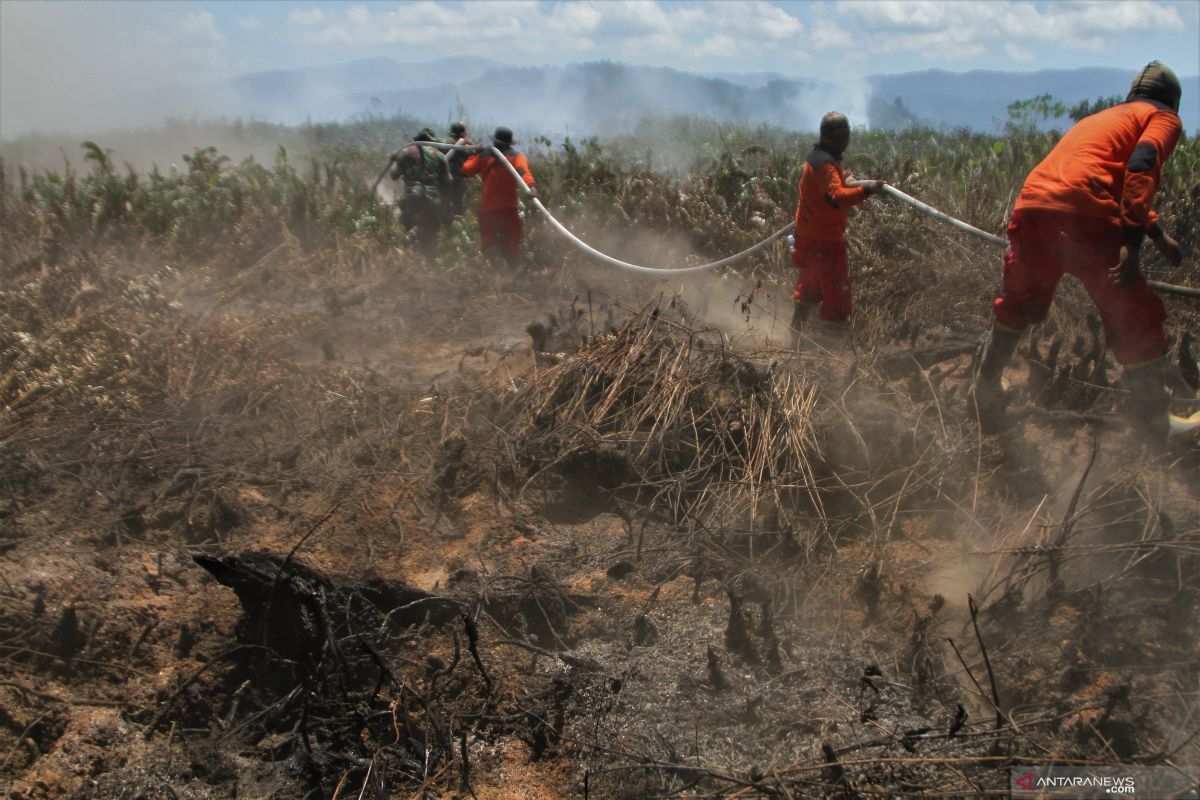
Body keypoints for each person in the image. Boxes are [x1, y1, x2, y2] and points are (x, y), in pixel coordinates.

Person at [971, 61, 1184, 442]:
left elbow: (1099, 173)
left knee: (1017, 303)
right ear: (1173, 101)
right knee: (1133, 314)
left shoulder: (1103, 118)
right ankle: (1155, 424)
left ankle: (985, 389)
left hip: (1034, 207)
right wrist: (1130, 249)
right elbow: (1141, 164)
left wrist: (1157, 233)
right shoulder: (1162, 117)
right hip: (1084, 217)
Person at [788, 112, 885, 346]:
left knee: (809, 287)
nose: (846, 140)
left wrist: (845, 180)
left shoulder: (816, 159)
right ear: (835, 137)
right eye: (843, 135)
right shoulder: (825, 164)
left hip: (807, 238)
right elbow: (836, 197)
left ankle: (795, 339)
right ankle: (829, 355)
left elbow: (827, 190)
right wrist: (867, 190)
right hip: (825, 242)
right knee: (836, 297)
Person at [461, 127, 538, 270]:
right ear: (510, 143)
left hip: (488, 209)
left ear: (495, 141)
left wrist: (473, 154)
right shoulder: (517, 156)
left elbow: (466, 170)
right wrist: (531, 186)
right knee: (511, 242)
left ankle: (499, 269)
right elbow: (523, 172)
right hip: (508, 208)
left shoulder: (484, 156)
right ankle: (510, 272)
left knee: (489, 242)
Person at [388, 127, 449, 264]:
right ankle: (430, 264)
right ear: (432, 141)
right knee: (431, 231)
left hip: (413, 195)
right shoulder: (439, 155)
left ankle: (411, 260)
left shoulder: (406, 152)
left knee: (411, 224)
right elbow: (447, 181)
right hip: (433, 197)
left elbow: (393, 175)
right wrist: (445, 202)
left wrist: (395, 161)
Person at [444, 121, 472, 220]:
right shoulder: (467, 146)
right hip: (458, 181)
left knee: (445, 206)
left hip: (444, 180)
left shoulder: (444, 144)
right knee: (457, 208)